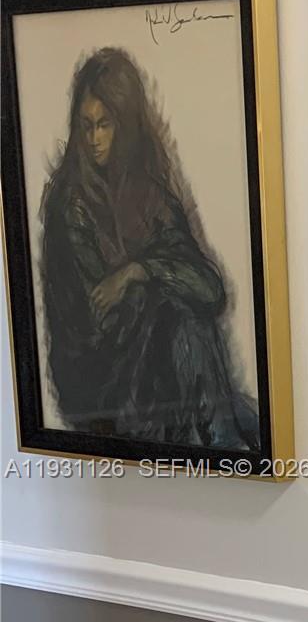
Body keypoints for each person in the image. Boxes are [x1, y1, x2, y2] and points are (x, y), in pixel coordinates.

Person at [37, 46, 259, 450]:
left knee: (186, 317)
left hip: (155, 369)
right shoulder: (70, 207)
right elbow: (98, 323)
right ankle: (223, 440)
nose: (94, 140)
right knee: (179, 316)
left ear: (126, 125)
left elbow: (211, 289)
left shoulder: (150, 196)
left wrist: (138, 271)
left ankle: (223, 438)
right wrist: (159, 281)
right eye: (86, 126)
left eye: (105, 125)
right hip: (100, 384)